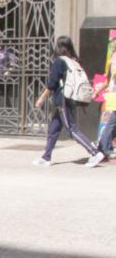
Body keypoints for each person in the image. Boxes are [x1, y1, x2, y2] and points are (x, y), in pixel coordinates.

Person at [32, 36, 105, 168]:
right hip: (70, 98)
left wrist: (41, 98)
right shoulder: (75, 61)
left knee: (71, 128)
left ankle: (94, 152)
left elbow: (52, 83)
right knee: (54, 129)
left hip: (62, 100)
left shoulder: (59, 62)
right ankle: (46, 157)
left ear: (59, 47)